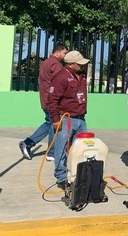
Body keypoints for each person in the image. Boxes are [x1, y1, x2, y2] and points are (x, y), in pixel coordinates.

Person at [19, 43, 68, 161]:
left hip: (45, 99)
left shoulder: (46, 63)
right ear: (58, 52)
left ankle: (28, 143)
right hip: (52, 100)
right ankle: (51, 152)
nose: (65, 56)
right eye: (64, 53)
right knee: (54, 125)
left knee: (49, 123)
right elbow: (60, 83)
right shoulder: (56, 65)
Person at [47, 50, 90, 188]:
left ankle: (77, 174)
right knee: (61, 149)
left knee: (80, 149)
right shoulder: (61, 77)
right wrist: (55, 119)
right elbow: (52, 100)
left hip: (81, 119)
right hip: (66, 119)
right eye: (79, 64)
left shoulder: (81, 76)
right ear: (71, 64)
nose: (82, 66)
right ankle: (61, 178)